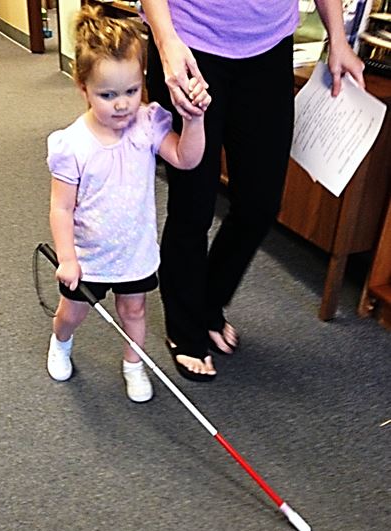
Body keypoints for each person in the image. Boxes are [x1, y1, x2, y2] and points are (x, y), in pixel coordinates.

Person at [140, 0, 365, 379]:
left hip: (269, 48)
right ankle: (185, 328)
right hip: (190, 40)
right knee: (193, 202)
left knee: (261, 202)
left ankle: (208, 303)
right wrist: (166, 42)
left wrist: (338, 39)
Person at [45, 5, 212, 402]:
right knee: (73, 313)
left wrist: (194, 120)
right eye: (107, 94)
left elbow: (187, 159)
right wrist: (68, 258)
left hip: (134, 251)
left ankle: (133, 364)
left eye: (131, 91)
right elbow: (61, 208)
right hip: (89, 257)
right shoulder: (72, 146)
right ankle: (61, 342)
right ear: (82, 87)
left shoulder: (148, 124)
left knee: (134, 313)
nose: (122, 104)